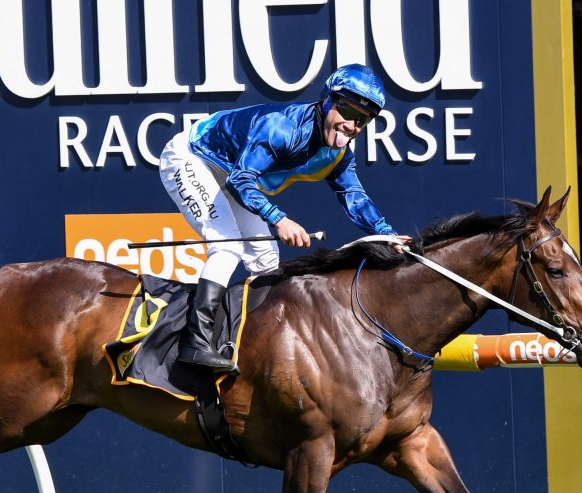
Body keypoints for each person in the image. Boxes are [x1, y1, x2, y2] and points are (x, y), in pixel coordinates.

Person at [159, 63, 410, 373]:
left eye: (363, 119)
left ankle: (243, 341)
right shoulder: (282, 129)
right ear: (327, 101)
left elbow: (353, 196)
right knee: (226, 248)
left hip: (230, 172)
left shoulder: (339, 155)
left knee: (267, 261)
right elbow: (241, 180)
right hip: (192, 158)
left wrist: (386, 233)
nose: (351, 125)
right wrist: (279, 219)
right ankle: (195, 343)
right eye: (347, 111)